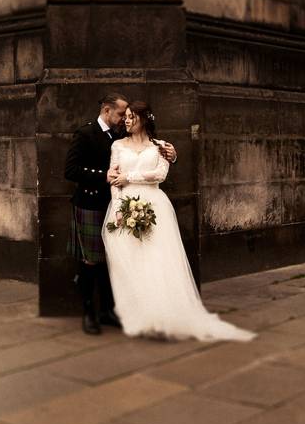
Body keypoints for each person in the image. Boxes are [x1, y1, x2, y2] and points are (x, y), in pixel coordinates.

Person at [103, 101, 255, 342]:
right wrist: (120, 209)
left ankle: (163, 315)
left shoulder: (162, 147)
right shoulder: (117, 145)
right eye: (126, 117)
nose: (127, 120)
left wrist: (128, 176)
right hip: (124, 207)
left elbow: (160, 175)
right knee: (132, 262)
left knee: (157, 260)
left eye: (132, 116)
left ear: (144, 119)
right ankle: (139, 316)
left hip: (155, 206)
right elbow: (113, 178)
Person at [65, 93, 177, 335]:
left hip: (119, 202)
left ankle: (107, 312)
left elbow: (149, 152)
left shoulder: (119, 135)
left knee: (111, 262)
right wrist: (102, 176)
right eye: (120, 115)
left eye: (128, 116)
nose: (124, 120)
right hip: (92, 204)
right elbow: (71, 170)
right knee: (90, 262)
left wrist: (172, 154)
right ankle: (89, 314)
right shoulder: (85, 133)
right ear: (107, 110)